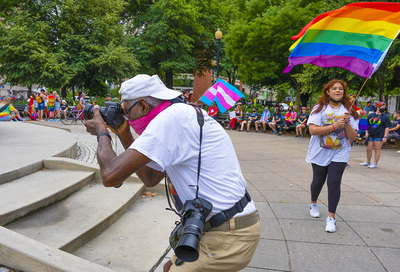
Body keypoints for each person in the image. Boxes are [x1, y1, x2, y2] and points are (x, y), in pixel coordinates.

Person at [84, 74, 261, 272]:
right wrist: (124, 132)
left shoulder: (170, 119)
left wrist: (101, 130)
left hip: (229, 233)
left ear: (143, 105)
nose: (127, 117)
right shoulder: (181, 113)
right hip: (227, 224)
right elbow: (150, 178)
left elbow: (109, 175)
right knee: (168, 267)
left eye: (127, 111)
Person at [306, 79, 358, 233]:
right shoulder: (319, 108)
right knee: (318, 181)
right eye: (334, 88)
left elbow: (353, 136)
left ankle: (331, 218)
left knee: (334, 182)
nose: (338, 91)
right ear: (328, 91)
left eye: (340, 89)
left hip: (340, 151)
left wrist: (347, 123)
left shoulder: (351, 111)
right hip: (320, 150)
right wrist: (335, 125)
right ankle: (313, 202)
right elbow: (313, 130)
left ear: (344, 92)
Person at [360, 102, 391, 169]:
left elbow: (387, 127)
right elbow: (366, 125)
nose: (383, 109)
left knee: (377, 149)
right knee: (368, 149)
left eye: (384, 107)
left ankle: (375, 163)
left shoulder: (385, 117)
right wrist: (366, 132)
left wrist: (385, 136)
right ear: (377, 107)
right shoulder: (371, 115)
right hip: (371, 134)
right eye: (381, 107)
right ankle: (368, 161)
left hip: (379, 135)